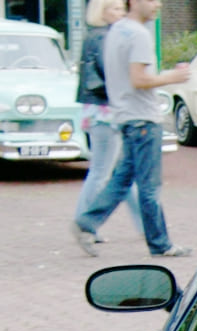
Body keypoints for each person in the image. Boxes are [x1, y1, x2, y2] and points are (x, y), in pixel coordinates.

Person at [72, 0, 191, 257]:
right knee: (149, 186)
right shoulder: (138, 34)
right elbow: (140, 79)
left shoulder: (116, 30)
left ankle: (87, 221)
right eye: (152, 0)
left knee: (122, 179)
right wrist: (173, 77)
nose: (158, 5)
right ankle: (160, 244)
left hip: (124, 116)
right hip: (143, 119)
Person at [73, 0, 141, 241]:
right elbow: (111, 73)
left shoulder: (98, 35)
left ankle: (145, 226)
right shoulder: (104, 37)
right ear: (101, 12)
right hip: (105, 111)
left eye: (122, 9)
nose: (121, 13)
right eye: (114, 9)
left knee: (119, 171)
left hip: (100, 109)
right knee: (103, 171)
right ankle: (84, 223)